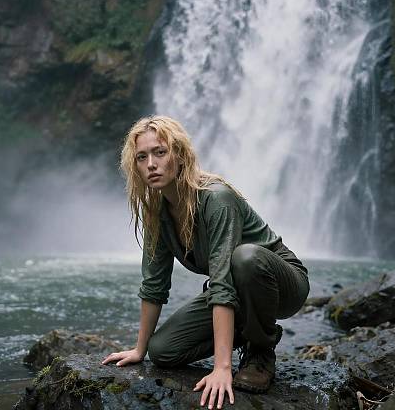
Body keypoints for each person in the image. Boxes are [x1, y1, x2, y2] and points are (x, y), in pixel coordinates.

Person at [102, 115, 309, 409]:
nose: (151, 164)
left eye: (160, 152)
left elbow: (223, 281)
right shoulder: (156, 212)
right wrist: (140, 349)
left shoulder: (216, 198)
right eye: (142, 157)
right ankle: (245, 329)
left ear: (181, 155)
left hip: (281, 282)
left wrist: (221, 368)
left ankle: (260, 351)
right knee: (162, 352)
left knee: (245, 258)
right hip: (234, 289)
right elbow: (154, 284)